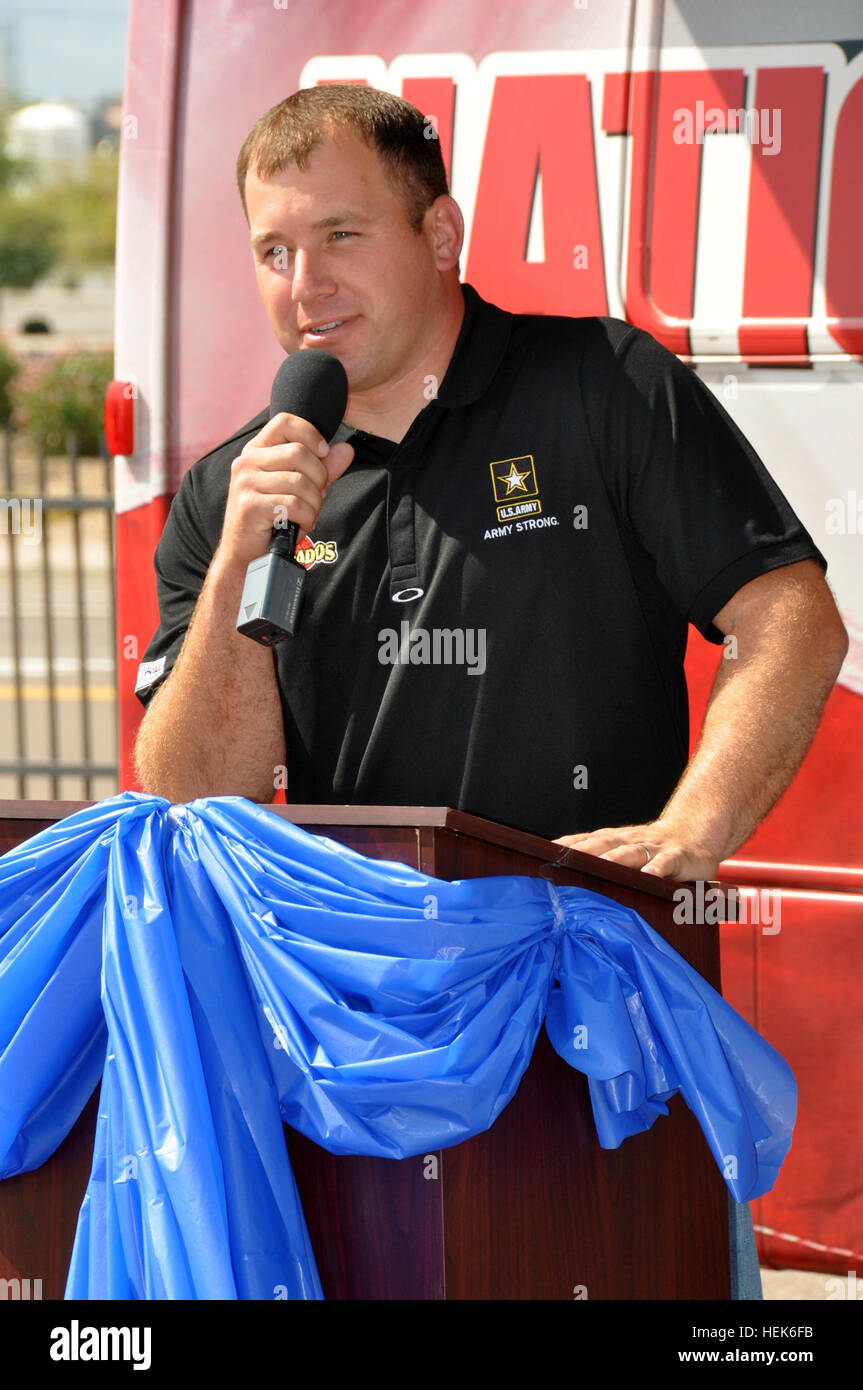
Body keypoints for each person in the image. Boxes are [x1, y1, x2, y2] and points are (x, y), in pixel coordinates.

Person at [132, 84, 847, 1300]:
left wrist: (690, 829)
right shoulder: (232, 490)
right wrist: (248, 559)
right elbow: (194, 790)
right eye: (272, 249)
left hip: (598, 1020)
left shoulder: (599, 384)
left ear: (442, 236)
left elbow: (789, 619)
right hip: (361, 1044)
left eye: (341, 236)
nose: (302, 285)